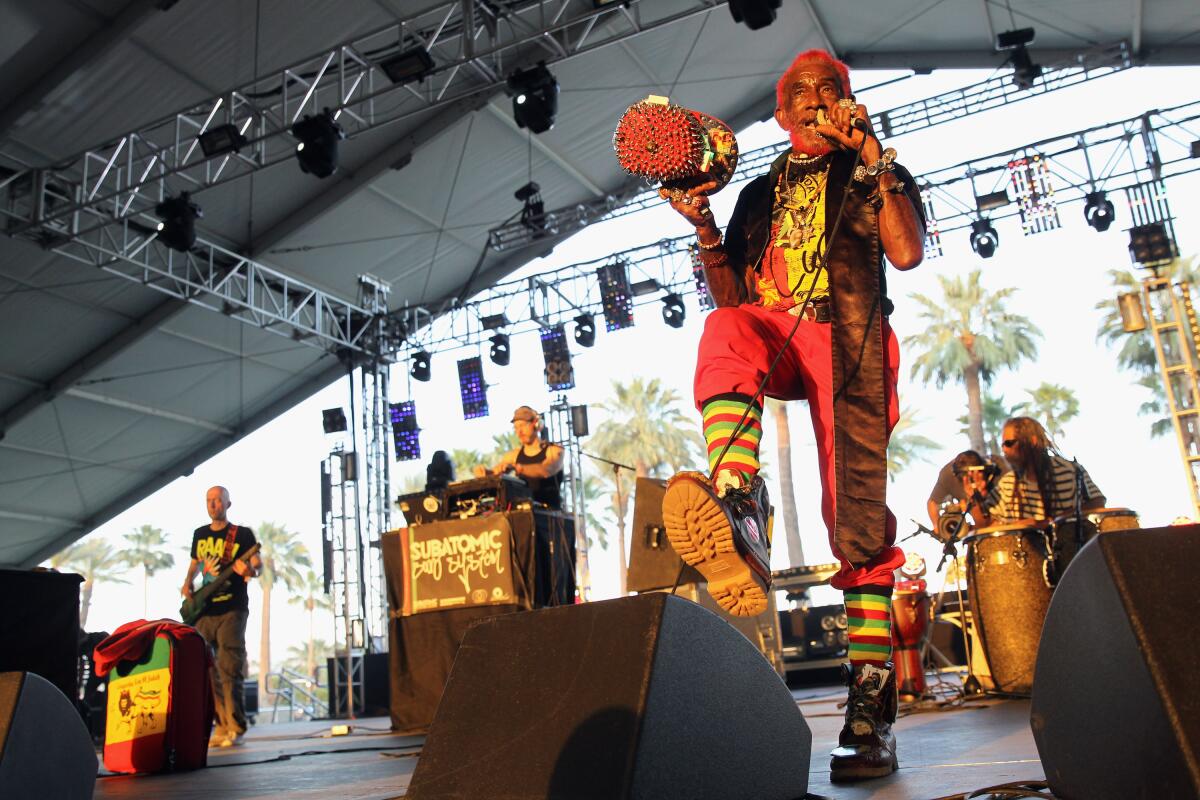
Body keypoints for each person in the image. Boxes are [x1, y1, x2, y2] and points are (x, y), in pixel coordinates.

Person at [658, 49, 925, 782]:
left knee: (858, 520)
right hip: (778, 330)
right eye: (799, 92)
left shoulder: (877, 168)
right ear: (780, 113)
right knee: (722, 336)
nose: (813, 99)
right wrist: (707, 227)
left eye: (828, 89)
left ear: (847, 101)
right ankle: (740, 505)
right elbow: (732, 303)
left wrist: (872, 158)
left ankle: (870, 713)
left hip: (852, 338)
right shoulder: (760, 190)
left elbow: (904, 253)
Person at [180, 485, 261, 748]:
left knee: (229, 667)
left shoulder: (242, 534)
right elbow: (195, 562)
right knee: (209, 671)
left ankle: (236, 726)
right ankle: (221, 725)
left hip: (232, 608)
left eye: (217, 500)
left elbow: (256, 566)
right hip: (204, 610)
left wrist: (247, 567)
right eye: (209, 500)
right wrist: (187, 583)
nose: (213, 504)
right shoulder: (199, 534)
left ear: (228, 504)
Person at [977, 416, 1106, 525]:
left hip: (1069, 551)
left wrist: (1057, 520)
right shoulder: (1007, 483)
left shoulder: (1071, 471)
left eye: (1009, 443)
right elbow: (987, 524)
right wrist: (974, 498)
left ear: (1033, 441)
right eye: (1003, 445)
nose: (1004, 450)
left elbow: (1098, 501)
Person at [477, 406, 565, 509]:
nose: (519, 431)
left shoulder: (554, 450)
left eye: (522, 425)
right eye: (516, 428)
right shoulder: (513, 456)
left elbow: (545, 470)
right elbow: (495, 473)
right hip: (526, 513)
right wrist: (486, 473)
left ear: (536, 424)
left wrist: (518, 468)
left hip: (552, 516)